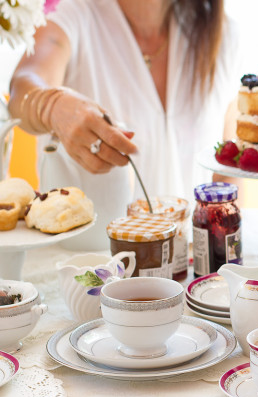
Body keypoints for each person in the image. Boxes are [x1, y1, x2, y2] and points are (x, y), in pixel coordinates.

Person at [7, 0, 238, 249]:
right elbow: (24, 86)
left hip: (188, 268)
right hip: (88, 271)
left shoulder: (222, 33)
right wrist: (52, 105)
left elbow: (227, 172)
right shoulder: (73, 14)